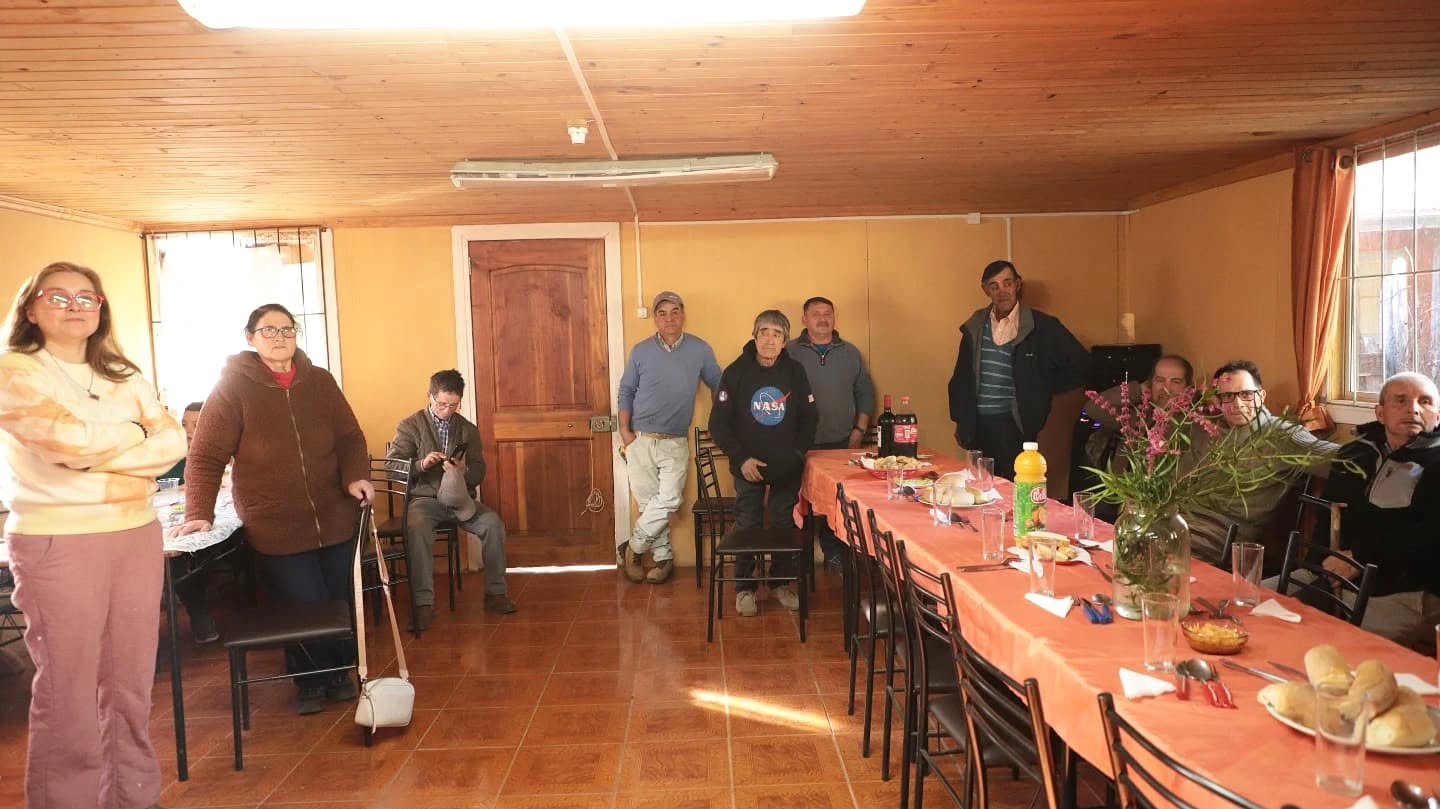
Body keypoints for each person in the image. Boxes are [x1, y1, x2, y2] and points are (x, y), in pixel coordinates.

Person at [0, 261, 187, 809]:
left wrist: (97, 451)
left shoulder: (121, 373)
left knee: (131, 686)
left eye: (87, 297)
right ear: (31, 307)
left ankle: (133, 798)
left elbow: (173, 443)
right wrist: (133, 434)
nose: (74, 306)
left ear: (101, 309)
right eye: (57, 296)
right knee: (69, 695)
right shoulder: (15, 370)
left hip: (136, 534)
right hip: (59, 541)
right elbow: (67, 444)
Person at [174, 303, 373, 715]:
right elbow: (206, 455)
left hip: (334, 515)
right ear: (250, 338)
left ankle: (340, 673)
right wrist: (199, 512)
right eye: (269, 330)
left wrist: (355, 475)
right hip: (275, 524)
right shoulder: (232, 388)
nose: (280, 337)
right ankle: (310, 681)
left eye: (287, 329)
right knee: (302, 604)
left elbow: (350, 437)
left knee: (337, 599)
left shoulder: (320, 381)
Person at [1312, 371, 1440, 655]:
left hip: (1412, 589)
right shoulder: (1356, 453)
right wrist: (1320, 565)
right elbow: (1326, 515)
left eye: (1425, 401)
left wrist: (1360, 556)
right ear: (1380, 413)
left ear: (1438, 416)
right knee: (1260, 602)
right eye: (1401, 401)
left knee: (1335, 644)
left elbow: (1430, 538)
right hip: (1342, 574)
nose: (1413, 409)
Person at [709, 310, 818, 617]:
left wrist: (796, 454)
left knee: (784, 525)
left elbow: (809, 418)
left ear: (785, 341)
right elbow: (718, 424)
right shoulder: (735, 372)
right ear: (754, 336)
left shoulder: (795, 371)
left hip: (786, 467)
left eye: (777, 334)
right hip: (748, 467)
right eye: (764, 332)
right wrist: (741, 458)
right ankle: (744, 588)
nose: (770, 340)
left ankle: (780, 583)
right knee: (748, 525)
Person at [388, 369, 515, 630]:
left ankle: (495, 593)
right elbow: (392, 468)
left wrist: (463, 471)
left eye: (453, 405)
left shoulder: (468, 429)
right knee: (416, 529)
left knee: (492, 524)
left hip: (460, 500)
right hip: (425, 501)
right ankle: (423, 605)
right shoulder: (409, 426)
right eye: (441, 404)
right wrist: (422, 464)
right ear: (430, 396)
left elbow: (479, 469)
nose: (446, 410)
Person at [1184, 360, 1338, 564]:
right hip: (1184, 520)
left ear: (1261, 396)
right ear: (1218, 401)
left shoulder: (1282, 436)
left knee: (1165, 559)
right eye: (1228, 396)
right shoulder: (1210, 431)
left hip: (1225, 535)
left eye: (1246, 394)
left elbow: (1343, 459)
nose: (1238, 404)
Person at [947, 260, 1090, 479]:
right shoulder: (975, 326)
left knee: (1013, 487)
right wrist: (960, 420)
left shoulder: (1042, 326)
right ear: (985, 290)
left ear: (1017, 284)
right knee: (979, 487)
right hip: (976, 425)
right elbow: (961, 377)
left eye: (1007, 283)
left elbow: (1082, 364)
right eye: (994, 286)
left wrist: (1043, 385)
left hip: (1014, 426)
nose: (1002, 291)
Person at [615, 291, 722, 584]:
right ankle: (663, 558)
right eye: (662, 313)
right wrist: (624, 431)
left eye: (675, 311)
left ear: (683, 314)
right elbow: (626, 391)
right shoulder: (640, 351)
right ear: (655, 318)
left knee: (670, 499)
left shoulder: (700, 349)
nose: (669, 318)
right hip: (639, 438)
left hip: (675, 439)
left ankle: (633, 547)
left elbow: (718, 383)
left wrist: (717, 419)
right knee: (649, 503)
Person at [786, 296, 875, 568]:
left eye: (828, 313)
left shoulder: (850, 353)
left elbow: (865, 393)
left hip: (840, 443)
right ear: (804, 319)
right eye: (816, 314)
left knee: (836, 503)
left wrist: (859, 430)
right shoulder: (789, 351)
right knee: (795, 501)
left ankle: (833, 553)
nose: (822, 319)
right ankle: (795, 560)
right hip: (798, 445)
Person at [159, 400, 220, 644]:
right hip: (170, 520)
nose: (188, 431)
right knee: (178, 547)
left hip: (210, 519)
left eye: (196, 424)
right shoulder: (170, 457)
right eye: (184, 424)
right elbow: (155, 485)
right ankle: (198, 612)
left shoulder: (220, 452)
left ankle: (200, 610)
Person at [1084, 354, 1194, 472]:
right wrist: (1141, 388)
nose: (1166, 388)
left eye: (1176, 381)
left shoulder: (1193, 423)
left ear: (1188, 387)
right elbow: (1093, 408)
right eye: (1160, 380)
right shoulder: (1138, 416)